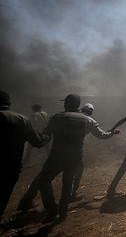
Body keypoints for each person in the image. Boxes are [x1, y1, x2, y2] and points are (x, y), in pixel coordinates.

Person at [38, 94, 119, 222]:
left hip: (57, 156)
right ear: (78, 106)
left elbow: (45, 135)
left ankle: (52, 210)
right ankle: (63, 212)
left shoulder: (57, 117)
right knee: (68, 183)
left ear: (66, 104)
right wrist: (112, 133)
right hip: (75, 156)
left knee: (43, 180)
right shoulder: (89, 120)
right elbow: (103, 135)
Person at [17, 103, 97, 212]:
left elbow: (48, 129)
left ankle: (28, 201)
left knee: (44, 177)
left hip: (58, 152)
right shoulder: (87, 120)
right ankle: (67, 201)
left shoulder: (60, 116)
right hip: (74, 154)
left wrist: (40, 138)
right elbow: (100, 134)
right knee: (70, 178)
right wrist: (111, 133)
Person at [0, 91, 48, 220]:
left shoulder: (34, 116)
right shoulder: (23, 119)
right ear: (9, 103)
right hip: (11, 168)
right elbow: (38, 142)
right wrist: (47, 136)